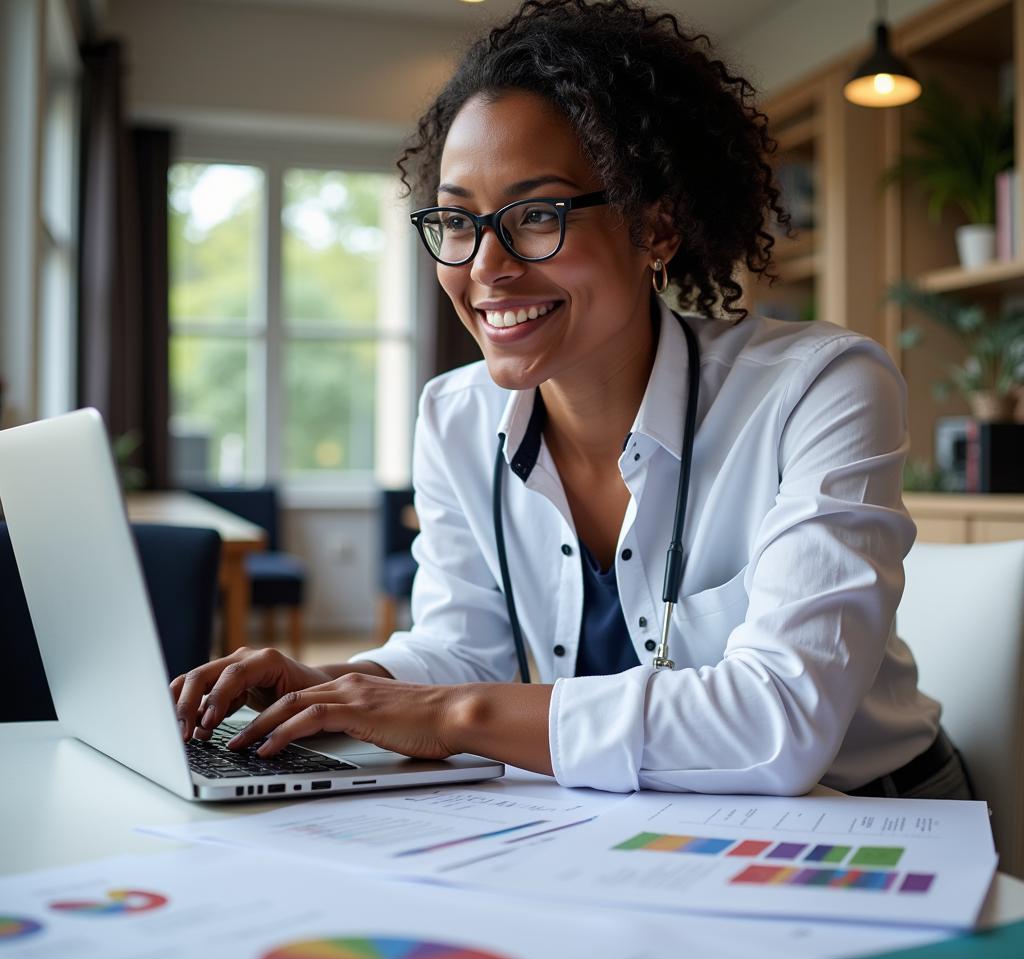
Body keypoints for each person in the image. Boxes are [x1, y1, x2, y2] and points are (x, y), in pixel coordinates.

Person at [172, 0, 971, 800]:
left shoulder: (819, 388)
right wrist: (338, 685)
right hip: (660, 823)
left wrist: (452, 715)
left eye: (537, 214)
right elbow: (464, 649)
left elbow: (780, 721)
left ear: (655, 227)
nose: (487, 265)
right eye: (458, 220)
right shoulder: (456, 416)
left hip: (865, 818)